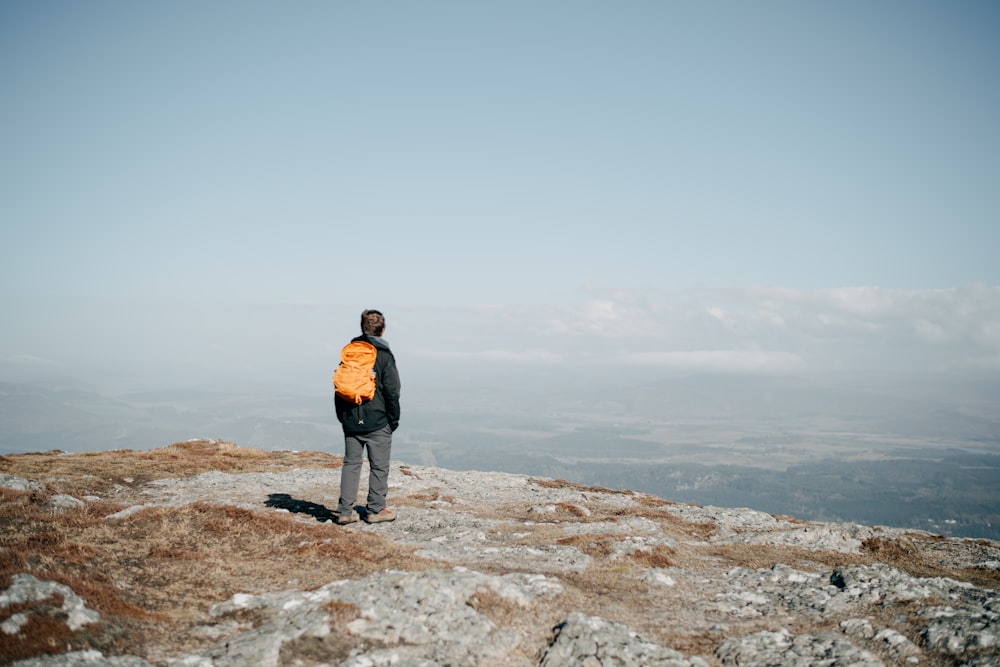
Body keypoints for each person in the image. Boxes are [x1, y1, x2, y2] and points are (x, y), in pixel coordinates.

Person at [334, 309, 401, 525]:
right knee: (379, 466)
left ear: (362, 327)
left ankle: (345, 510)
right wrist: (393, 420)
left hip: (351, 417)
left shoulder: (350, 353)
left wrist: (343, 416)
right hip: (378, 420)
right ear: (383, 329)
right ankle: (375, 509)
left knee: (351, 463)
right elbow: (392, 391)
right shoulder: (383, 355)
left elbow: (340, 386)